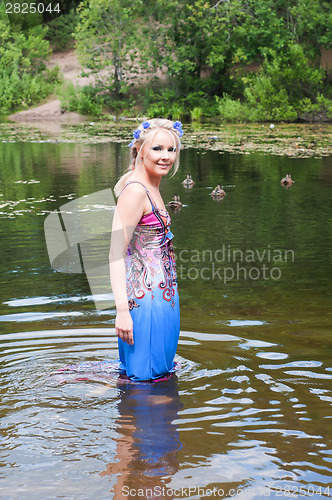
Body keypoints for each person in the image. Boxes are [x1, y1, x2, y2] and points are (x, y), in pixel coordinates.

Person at [109, 118, 183, 381]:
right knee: (146, 385)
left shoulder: (152, 187)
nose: (165, 157)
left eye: (171, 150)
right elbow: (115, 254)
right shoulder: (135, 193)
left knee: (157, 380)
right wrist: (121, 312)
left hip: (163, 298)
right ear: (140, 150)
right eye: (157, 149)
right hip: (144, 301)